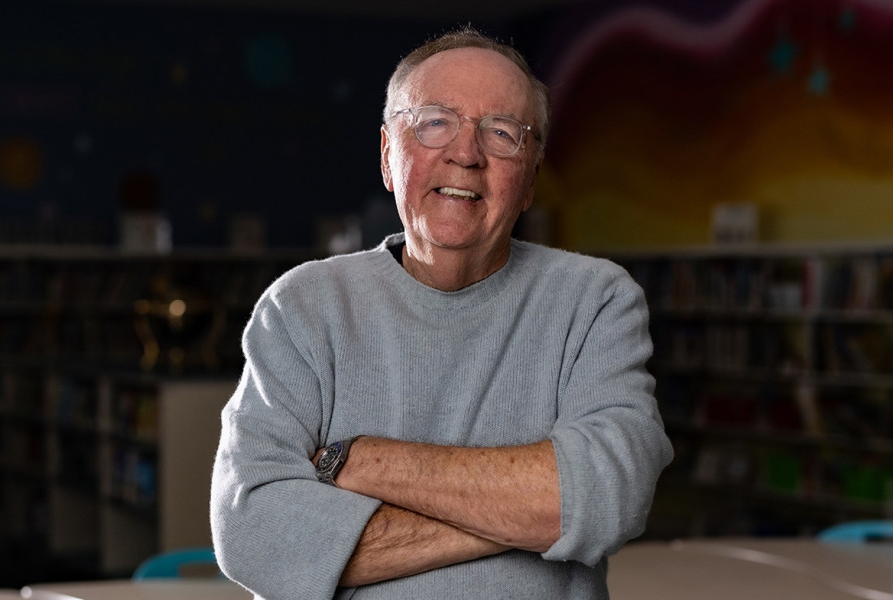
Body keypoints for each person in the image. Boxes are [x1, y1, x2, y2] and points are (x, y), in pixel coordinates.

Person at [210, 26, 673, 600]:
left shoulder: (596, 299)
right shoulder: (302, 306)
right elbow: (255, 533)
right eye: (434, 122)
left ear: (530, 177)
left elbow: (611, 498)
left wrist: (358, 461)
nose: (466, 153)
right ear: (387, 156)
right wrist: (533, 514)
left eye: (502, 133)